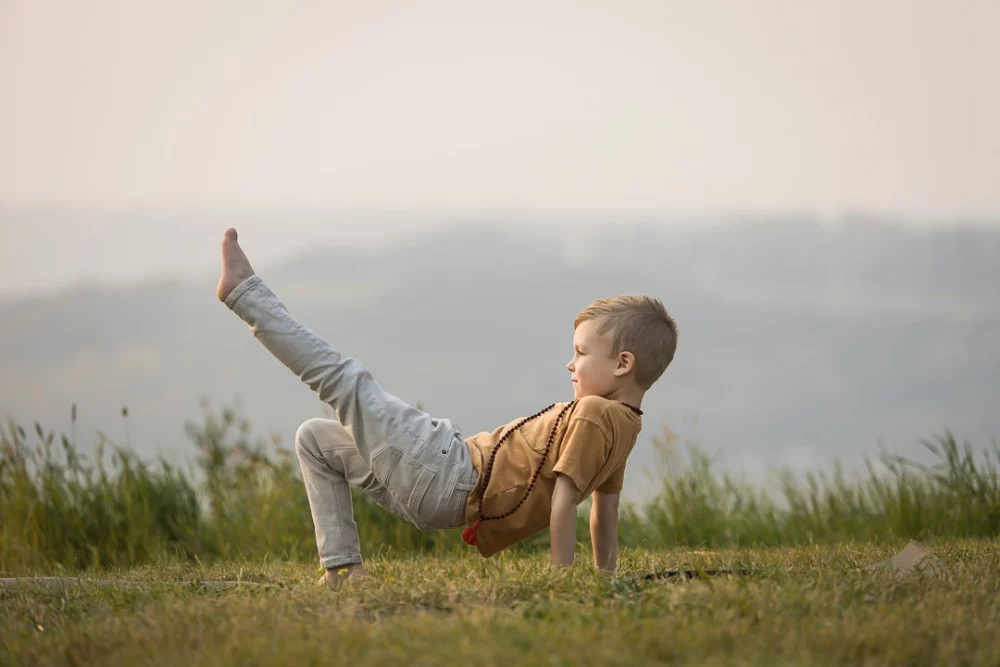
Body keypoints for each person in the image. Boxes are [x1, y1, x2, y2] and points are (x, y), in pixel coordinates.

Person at [216, 228, 678, 588]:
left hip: (448, 473)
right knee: (316, 440)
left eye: (580, 353)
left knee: (343, 379)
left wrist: (565, 580)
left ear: (622, 364)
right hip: (442, 494)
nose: (570, 363)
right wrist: (605, 579)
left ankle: (246, 294)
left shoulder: (596, 416)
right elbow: (605, 511)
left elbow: (565, 503)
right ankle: (342, 570)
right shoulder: (624, 426)